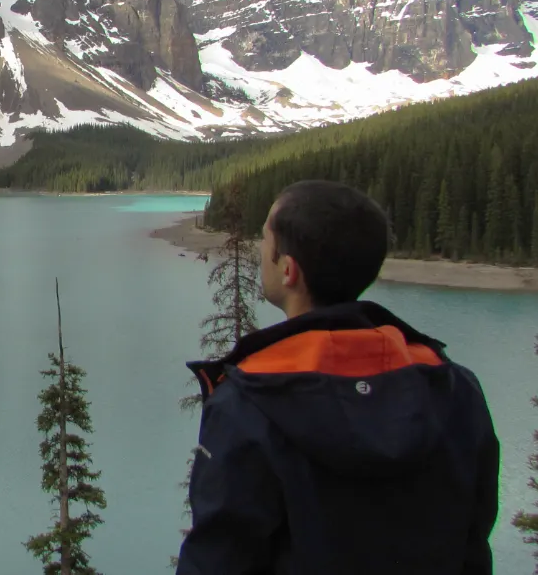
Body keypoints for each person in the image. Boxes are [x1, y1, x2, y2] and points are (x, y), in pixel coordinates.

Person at [176, 180, 499, 575]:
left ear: (288, 269)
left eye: (264, 238)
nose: (258, 249)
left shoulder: (249, 406)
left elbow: (218, 560)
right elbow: (473, 541)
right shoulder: (454, 387)